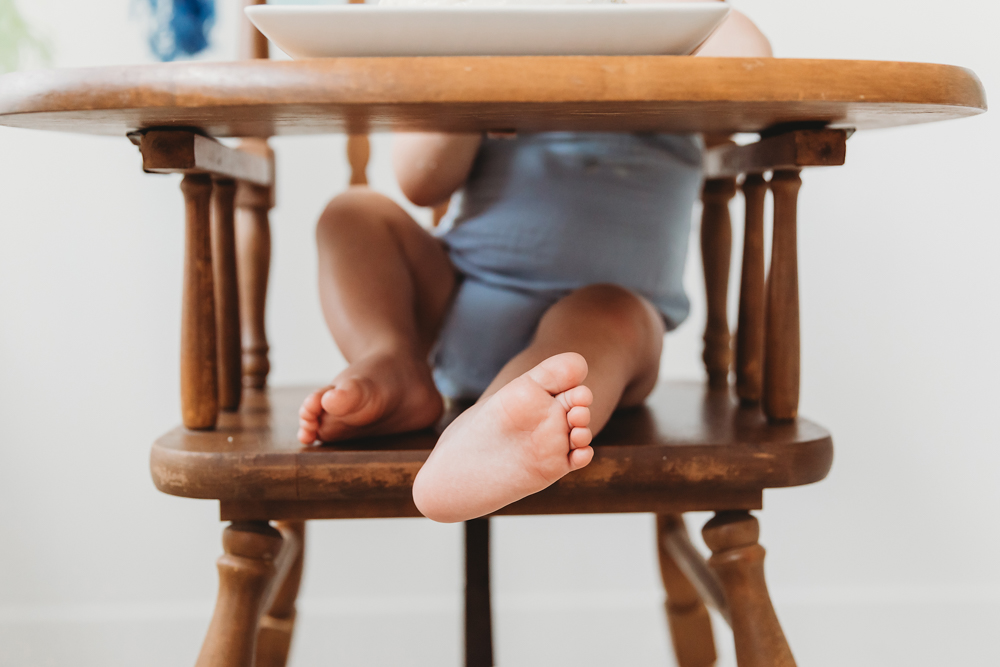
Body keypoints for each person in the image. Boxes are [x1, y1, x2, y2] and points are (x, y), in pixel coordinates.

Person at [297, 2, 772, 523]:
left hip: (605, 334)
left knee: (609, 312)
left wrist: (657, 23)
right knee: (353, 214)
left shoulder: (688, 37)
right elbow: (419, 181)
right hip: (456, 298)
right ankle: (393, 360)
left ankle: (499, 427)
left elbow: (750, 69)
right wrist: (476, 70)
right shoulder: (486, 35)